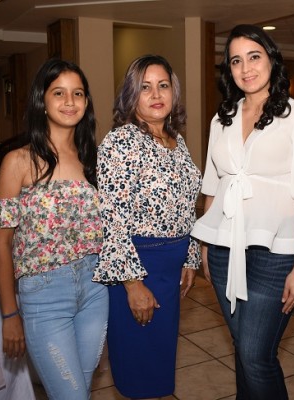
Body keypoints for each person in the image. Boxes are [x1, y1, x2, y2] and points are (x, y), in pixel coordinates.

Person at [191, 24, 294, 399]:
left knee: (255, 354)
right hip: (222, 250)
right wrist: (206, 247)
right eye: (236, 60)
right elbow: (213, 187)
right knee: (244, 351)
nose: (246, 68)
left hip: (276, 256)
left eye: (254, 56)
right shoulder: (222, 119)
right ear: (229, 70)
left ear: (271, 61)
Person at [0, 58, 109, 400]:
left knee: (79, 391)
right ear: (42, 100)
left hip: (95, 289)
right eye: (59, 93)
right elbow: (1, 244)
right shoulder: (18, 162)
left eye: (78, 93)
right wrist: (9, 312)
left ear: (86, 103)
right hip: (44, 295)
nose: (70, 102)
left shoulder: (92, 159)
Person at [94, 54, 202, 399]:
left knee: (159, 370)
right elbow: (110, 219)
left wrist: (189, 257)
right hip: (139, 266)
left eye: (163, 85)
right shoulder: (120, 142)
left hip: (170, 268)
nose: (156, 94)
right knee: (139, 373)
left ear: (174, 92)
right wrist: (132, 284)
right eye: (145, 87)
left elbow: (185, 206)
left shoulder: (175, 140)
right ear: (131, 95)